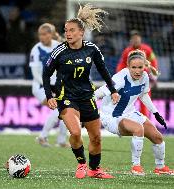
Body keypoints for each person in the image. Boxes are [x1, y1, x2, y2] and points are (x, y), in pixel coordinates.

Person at [43, 4, 119, 179]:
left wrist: (113, 89)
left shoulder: (92, 49)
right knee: (76, 132)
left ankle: (94, 169)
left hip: (87, 96)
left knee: (96, 137)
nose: (68, 33)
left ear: (81, 33)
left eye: (71, 30)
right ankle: (82, 164)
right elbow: (46, 74)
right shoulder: (59, 52)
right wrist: (49, 96)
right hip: (66, 97)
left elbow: (103, 70)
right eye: (66, 30)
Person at [95, 50, 174, 176]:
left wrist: (155, 113)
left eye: (140, 67)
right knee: (138, 129)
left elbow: (143, 95)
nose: (137, 70)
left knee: (158, 137)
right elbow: (101, 92)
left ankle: (160, 167)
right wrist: (86, 102)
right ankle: (136, 167)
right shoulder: (120, 77)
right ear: (128, 66)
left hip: (130, 113)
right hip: (111, 117)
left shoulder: (144, 77)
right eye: (133, 67)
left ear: (144, 66)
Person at [29, 23, 69, 148]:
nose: (41, 37)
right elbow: (35, 73)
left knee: (66, 109)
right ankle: (42, 136)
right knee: (59, 108)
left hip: (55, 85)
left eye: (45, 34)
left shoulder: (58, 47)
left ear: (51, 34)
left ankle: (61, 140)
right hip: (41, 86)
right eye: (40, 34)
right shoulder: (36, 50)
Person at [116, 30, 158, 117]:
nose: (136, 40)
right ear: (131, 40)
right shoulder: (127, 51)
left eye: (137, 37)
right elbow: (121, 65)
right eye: (134, 38)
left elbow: (153, 62)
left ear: (140, 39)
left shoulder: (147, 49)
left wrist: (154, 77)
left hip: (143, 81)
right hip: (130, 82)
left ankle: (145, 123)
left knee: (145, 104)